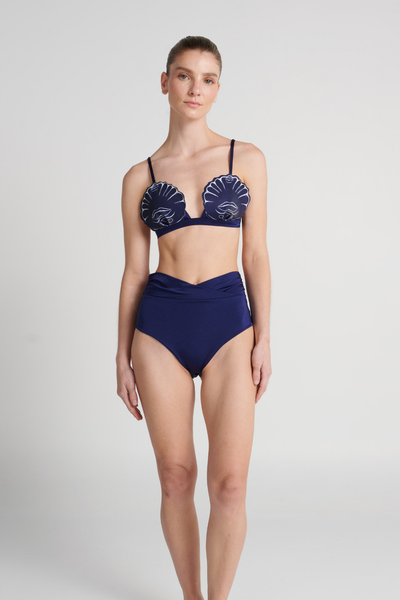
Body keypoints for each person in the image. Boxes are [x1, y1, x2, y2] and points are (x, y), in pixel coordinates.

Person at [116, 35, 272, 600]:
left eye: (207, 79)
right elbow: (134, 272)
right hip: (160, 328)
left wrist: (264, 338)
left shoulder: (245, 158)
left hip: (230, 325)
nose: (194, 88)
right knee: (175, 477)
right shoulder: (140, 176)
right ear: (165, 82)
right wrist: (121, 357)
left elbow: (256, 255)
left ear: (218, 89)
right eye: (184, 76)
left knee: (229, 485)